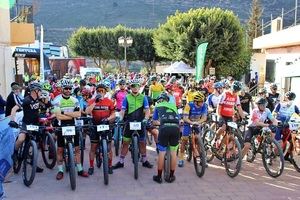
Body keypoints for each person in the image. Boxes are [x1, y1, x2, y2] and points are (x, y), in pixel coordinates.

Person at [52, 78, 89, 180]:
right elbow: (58, 117)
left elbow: (78, 114)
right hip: (61, 126)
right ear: (62, 89)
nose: (68, 90)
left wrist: (64, 113)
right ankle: (60, 170)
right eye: (66, 88)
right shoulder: (56, 100)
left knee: (77, 149)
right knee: (60, 150)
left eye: (69, 88)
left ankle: (80, 169)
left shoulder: (75, 100)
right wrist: (71, 115)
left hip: (73, 125)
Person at [113, 79, 153, 169]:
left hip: (140, 121)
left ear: (139, 87)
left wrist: (146, 118)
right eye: (133, 86)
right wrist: (120, 118)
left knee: (142, 142)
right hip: (129, 121)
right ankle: (121, 161)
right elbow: (123, 110)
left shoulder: (143, 97)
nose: (135, 88)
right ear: (130, 87)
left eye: (136, 86)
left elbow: (147, 110)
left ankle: (145, 160)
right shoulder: (127, 97)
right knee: (126, 142)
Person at [10, 83, 44, 173]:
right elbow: (14, 109)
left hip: (35, 124)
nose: (41, 92)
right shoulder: (26, 100)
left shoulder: (38, 99)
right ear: (35, 91)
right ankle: (15, 153)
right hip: (26, 124)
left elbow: (47, 105)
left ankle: (33, 163)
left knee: (34, 145)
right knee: (21, 139)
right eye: (40, 91)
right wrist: (12, 120)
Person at [85, 83, 115, 175]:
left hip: (106, 124)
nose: (100, 92)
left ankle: (109, 166)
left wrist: (108, 119)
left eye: (102, 91)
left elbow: (113, 114)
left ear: (105, 92)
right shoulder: (91, 101)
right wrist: (95, 102)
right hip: (95, 125)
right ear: (96, 92)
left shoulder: (109, 101)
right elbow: (87, 112)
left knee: (109, 148)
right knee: (93, 147)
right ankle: (91, 166)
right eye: (98, 91)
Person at [152, 93, 180, 183]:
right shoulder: (173, 106)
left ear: (159, 100)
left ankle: (159, 177)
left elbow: (154, 121)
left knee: (162, 152)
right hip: (175, 128)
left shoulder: (157, 106)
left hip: (164, 128)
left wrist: (160, 123)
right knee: (173, 153)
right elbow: (178, 119)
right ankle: (172, 176)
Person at [178, 92, 208, 167]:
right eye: (200, 101)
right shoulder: (189, 105)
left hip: (197, 122)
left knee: (198, 140)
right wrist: (191, 122)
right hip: (188, 122)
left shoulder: (204, 105)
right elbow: (185, 118)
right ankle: (181, 159)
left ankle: (202, 159)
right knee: (184, 140)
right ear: (195, 102)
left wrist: (198, 122)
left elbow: (204, 118)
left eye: (203, 101)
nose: (202, 103)